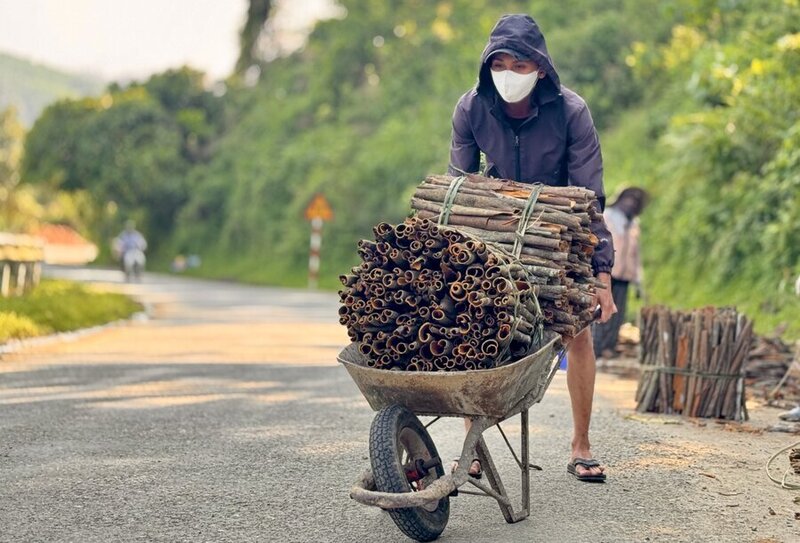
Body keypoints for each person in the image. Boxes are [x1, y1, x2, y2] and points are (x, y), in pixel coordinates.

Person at [448, 14, 616, 482]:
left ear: (540, 68)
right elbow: (460, 189)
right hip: (495, 228)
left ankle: (581, 445)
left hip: (559, 233)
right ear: (487, 67)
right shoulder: (471, 108)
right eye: (499, 64)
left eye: (520, 64)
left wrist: (601, 274)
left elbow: (591, 197)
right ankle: (472, 447)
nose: (509, 73)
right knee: (473, 325)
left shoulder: (571, 112)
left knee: (578, 331)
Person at [592, 187, 649, 359]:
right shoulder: (607, 217)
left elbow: (636, 255)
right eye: (629, 199)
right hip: (608, 271)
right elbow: (600, 243)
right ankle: (596, 347)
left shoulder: (633, 225)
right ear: (620, 199)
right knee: (602, 308)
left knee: (617, 313)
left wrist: (639, 281)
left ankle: (609, 346)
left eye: (635, 201)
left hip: (625, 275)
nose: (631, 203)